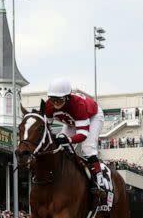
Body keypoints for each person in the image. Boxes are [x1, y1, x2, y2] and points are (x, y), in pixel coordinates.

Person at [44, 78, 110, 208]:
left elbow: (83, 134)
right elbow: (46, 127)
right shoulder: (48, 105)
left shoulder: (78, 104)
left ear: (67, 97)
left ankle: (99, 182)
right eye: (53, 99)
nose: (56, 103)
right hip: (71, 121)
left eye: (60, 100)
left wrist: (69, 139)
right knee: (59, 147)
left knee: (88, 148)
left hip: (92, 116)